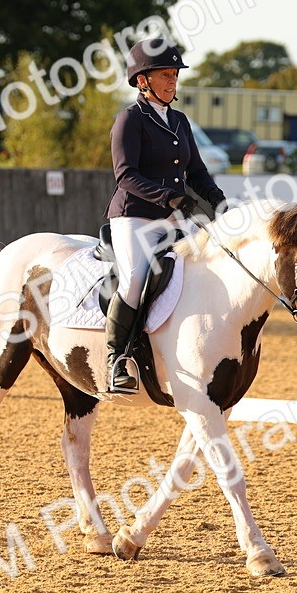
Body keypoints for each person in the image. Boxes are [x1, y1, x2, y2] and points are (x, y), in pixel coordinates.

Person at [104, 38, 227, 393]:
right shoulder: (130, 120)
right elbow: (125, 175)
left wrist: (219, 203)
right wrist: (169, 198)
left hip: (175, 217)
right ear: (143, 80)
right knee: (134, 279)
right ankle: (117, 359)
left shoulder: (179, 121)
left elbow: (197, 172)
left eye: (174, 74)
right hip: (136, 217)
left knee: (206, 268)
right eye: (165, 75)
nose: (173, 81)